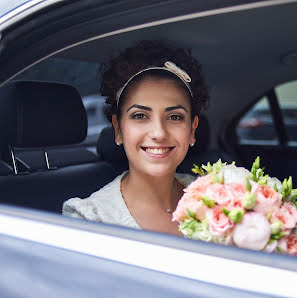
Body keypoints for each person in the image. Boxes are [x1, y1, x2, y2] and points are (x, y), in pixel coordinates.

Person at [62, 40, 209, 236]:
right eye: (140, 116)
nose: (158, 133)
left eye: (174, 117)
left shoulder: (215, 194)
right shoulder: (89, 220)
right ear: (118, 129)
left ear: (192, 130)